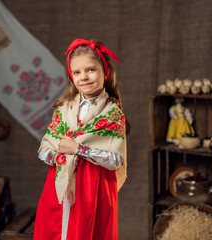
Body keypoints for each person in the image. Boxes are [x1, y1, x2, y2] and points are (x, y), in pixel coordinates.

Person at [33, 39, 127, 240]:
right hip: (59, 183)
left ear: (105, 72)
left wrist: (78, 149)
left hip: (94, 186)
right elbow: (45, 148)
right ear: (71, 76)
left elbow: (115, 160)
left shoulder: (112, 113)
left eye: (91, 70)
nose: (83, 77)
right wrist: (58, 154)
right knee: (56, 231)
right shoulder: (64, 108)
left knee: (88, 232)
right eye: (77, 72)